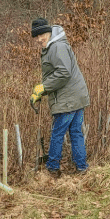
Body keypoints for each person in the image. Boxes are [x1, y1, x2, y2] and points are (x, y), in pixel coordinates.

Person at [29, 18, 90, 177]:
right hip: (74, 96)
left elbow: (64, 73)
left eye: (42, 34)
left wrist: (44, 87)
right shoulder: (55, 45)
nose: (39, 39)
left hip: (68, 98)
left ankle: (52, 169)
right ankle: (82, 168)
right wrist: (41, 91)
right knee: (76, 132)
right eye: (36, 36)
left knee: (57, 133)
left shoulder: (57, 47)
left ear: (49, 32)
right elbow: (57, 74)